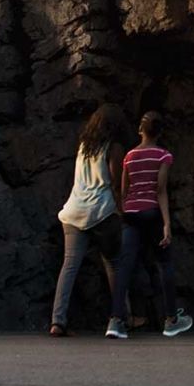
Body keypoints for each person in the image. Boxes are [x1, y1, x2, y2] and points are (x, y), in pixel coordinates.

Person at [107, 111, 190, 339]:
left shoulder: (129, 156)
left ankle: (115, 320)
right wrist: (166, 224)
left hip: (131, 214)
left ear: (140, 130)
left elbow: (123, 189)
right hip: (152, 213)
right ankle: (171, 319)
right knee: (165, 264)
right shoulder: (163, 156)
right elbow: (160, 190)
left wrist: (126, 210)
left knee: (125, 266)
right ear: (160, 132)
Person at [48, 104, 126, 337]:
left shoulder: (84, 147)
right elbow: (115, 182)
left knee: (69, 266)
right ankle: (121, 317)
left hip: (73, 211)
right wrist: (122, 211)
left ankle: (57, 321)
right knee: (113, 263)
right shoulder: (113, 148)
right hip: (101, 212)